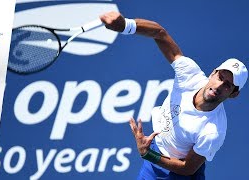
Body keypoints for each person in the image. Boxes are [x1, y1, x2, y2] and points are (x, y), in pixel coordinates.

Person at [99, 11, 248, 179]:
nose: (219, 85)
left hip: (179, 173)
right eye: (220, 77)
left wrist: (148, 154)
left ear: (234, 94)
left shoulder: (213, 131)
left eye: (228, 85)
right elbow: (159, 33)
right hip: (155, 157)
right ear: (213, 73)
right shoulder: (189, 75)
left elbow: (187, 168)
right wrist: (125, 25)